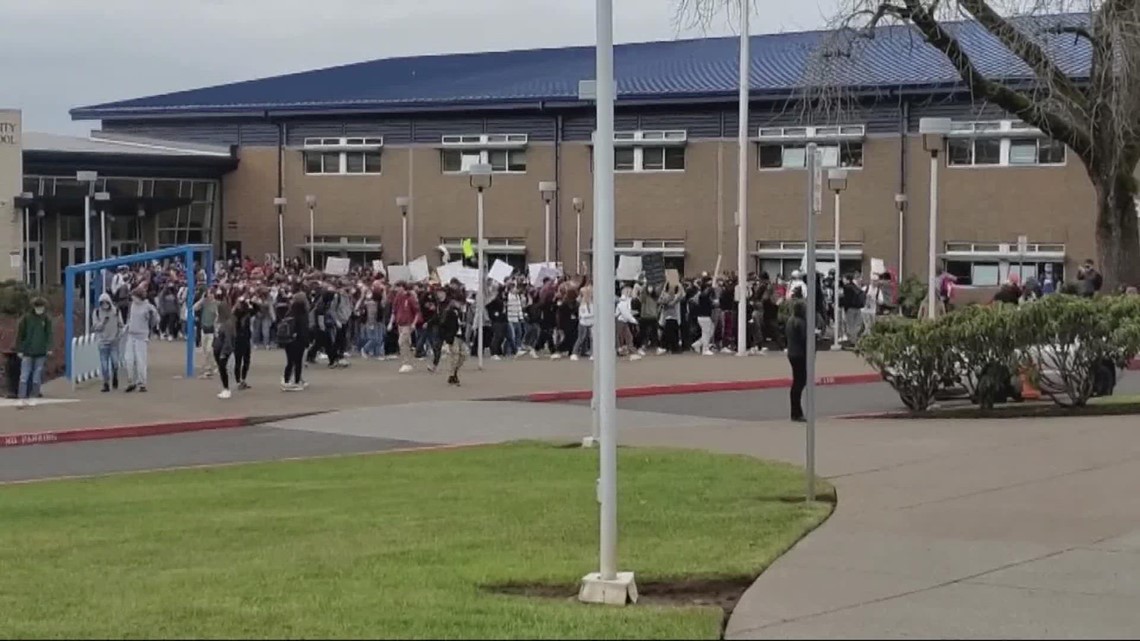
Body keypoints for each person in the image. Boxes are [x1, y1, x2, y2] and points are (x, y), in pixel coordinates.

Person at [15, 297, 53, 408]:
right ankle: (22, 397)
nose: (39, 309)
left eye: (41, 307)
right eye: (38, 306)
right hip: (27, 351)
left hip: (41, 352)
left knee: (37, 376)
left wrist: (49, 347)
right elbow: (20, 335)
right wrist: (19, 349)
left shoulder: (46, 319)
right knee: (24, 376)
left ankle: (34, 396)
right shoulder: (26, 319)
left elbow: (49, 334)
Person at [123, 286, 159, 393]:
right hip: (131, 334)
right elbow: (130, 318)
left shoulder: (148, 307)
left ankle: (142, 382)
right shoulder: (132, 305)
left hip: (141, 336)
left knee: (141, 360)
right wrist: (126, 326)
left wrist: (151, 323)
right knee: (128, 359)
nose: (132, 298)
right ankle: (131, 381)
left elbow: (155, 319)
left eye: (134, 296)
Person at [92, 293, 124, 393]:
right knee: (104, 365)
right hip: (102, 342)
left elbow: (121, 324)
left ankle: (115, 375)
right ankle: (105, 383)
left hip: (114, 341)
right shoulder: (96, 312)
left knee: (115, 362)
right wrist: (103, 323)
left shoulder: (116, 311)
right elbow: (95, 327)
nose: (104, 305)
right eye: (102, 303)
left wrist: (119, 335)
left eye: (106, 303)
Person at [279, 292, 310, 391]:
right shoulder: (303, 313)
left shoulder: (290, 311)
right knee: (298, 362)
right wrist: (306, 341)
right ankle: (296, 381)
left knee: (290, 362)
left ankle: (286, 380)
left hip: (289, 339)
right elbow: (303, 328)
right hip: (299, 339)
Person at [785, 300, 809, 423]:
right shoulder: (801, 322)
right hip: (800, 355)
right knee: (800, 382)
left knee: (797, 382)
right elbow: (805, 339)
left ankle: (795, 411)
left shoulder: (790, 321)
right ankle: (796, 412)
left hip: (792, 353)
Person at [438, 289, 467, 386]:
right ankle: (452, 375)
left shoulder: (459, 312)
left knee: (464, 354)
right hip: (452, 336)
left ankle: (454, 372)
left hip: (460, 336)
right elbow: (443, 325)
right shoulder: (449, 312)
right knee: (455, 356)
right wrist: (446, 338)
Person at [391, 282, 419, 373]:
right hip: (400, 324)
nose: (397, 289)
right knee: (405, 344)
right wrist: (391, 322)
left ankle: (406, 363)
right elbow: (394, 311)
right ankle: (406, 363)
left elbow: (417, 312)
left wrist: (414, 323)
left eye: (399, 287)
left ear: (403, 288)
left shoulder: (410, 298)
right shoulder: (397, 298)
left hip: (408, 324)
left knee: (402, 342)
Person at [213, 301, 236, 399]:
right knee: (222, 370)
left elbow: (228, 340)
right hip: (220, 349)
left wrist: (224, 353)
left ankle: (227, 389)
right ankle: (225, 388)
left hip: (223, 351)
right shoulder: (224, 322)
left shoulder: (227, 324)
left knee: (224, 370)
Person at [232, 296, 254, 389]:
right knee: (238, 361)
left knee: (246, 361)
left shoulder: (247, 312)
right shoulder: (236, 313)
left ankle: (243, 379)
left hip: (246, 339)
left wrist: (250, 302)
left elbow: (257, 308)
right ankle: (238, 381)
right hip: (238, 339)